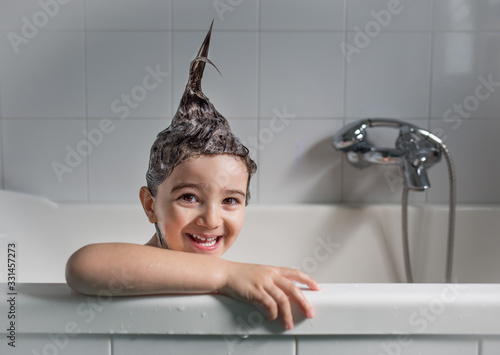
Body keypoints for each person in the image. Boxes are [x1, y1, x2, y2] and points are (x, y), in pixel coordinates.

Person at [65, 22, 320, 330]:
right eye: (189, 197)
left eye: (230, 200)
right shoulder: (133, 268)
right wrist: (226, 275)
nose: (211, 220)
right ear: (150, 205)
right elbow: (83, 266)